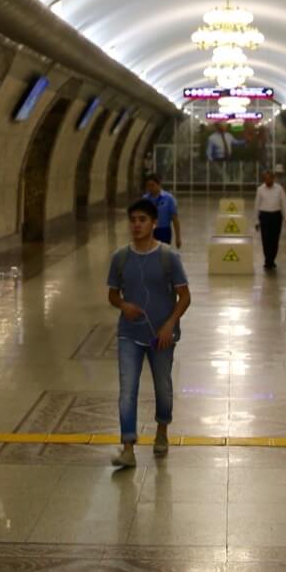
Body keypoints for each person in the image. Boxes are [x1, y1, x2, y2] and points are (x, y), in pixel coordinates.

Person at [106, 197, 191, 469]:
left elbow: (185, 297)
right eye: (133, 220)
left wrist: (169, 325)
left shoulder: (168, 257)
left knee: (162, 388)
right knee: (127, 390)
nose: (137, 225)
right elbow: (112, 294)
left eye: (142, 220)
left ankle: (162, 431)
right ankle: (128, 447)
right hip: (129, 333)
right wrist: (123, 304)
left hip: (161, 335)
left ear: (154, 223)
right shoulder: (120, 258)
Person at [254, 167, 286, 270]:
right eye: (265, 179)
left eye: (269, 178)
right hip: (264, 216)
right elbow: (257, 205)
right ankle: (267, 260)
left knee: (274, 240)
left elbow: (284, 203)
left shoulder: (279, 189)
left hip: (276, 216)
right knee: (266, 239)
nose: (267, 180)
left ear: (273, 179)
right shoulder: (260, 190)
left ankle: (272, 259)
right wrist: (256, 220)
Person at [143, 174, 180, 246]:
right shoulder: (145, 199)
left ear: (159, 184)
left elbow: (175, 218)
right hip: (149, 231)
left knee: (163, 253)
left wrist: (178, 237)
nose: (150, 188)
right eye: (148, 186)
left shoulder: (169, 198)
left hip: (164, 231)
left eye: (152, 185)